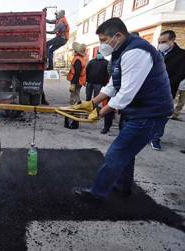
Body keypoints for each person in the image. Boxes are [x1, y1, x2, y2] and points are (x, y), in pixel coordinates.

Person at [72, 18, 173, 202]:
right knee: (127, 152)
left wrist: (99, 113)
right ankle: (123, 187)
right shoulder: (121, 51)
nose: (102, 45)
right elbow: (113, 85)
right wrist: (92, 103)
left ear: (117, 36)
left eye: (103, 40)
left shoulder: (136, 52)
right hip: (138, 110)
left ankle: (96, 195)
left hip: (149, 112)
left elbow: (125, 94)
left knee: (116, 153)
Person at [150, 30, 185, 150]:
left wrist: (162, 83)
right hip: (150, 89)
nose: (161, 44)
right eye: (159, 42)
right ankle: (147, 134)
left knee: (163, 115)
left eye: (164, 42)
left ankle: (156, 138)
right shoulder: (156, 52)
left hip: (167, 90)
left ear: (172, 41)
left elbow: (180, 75)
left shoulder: (182, 55)